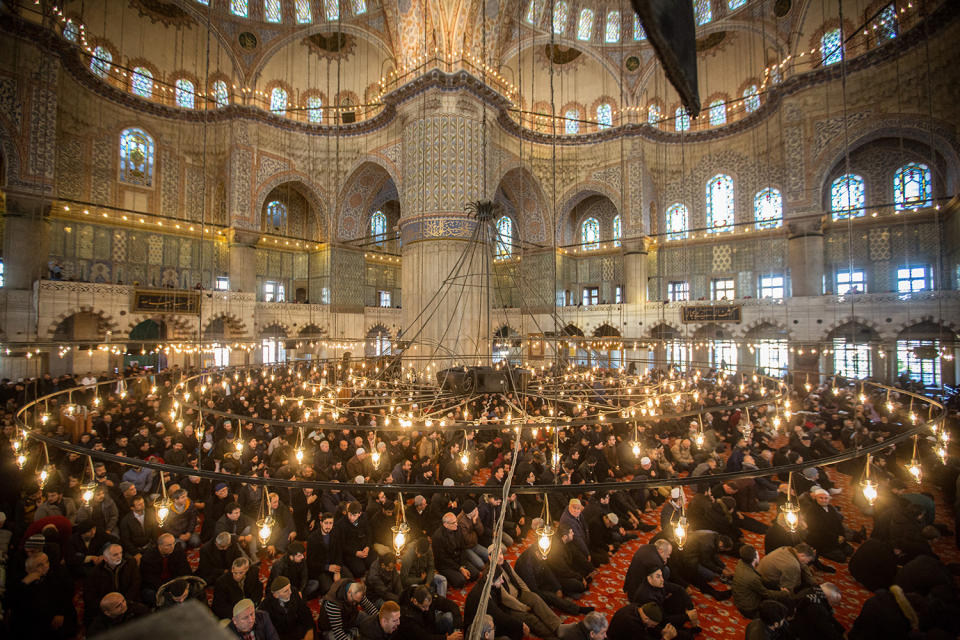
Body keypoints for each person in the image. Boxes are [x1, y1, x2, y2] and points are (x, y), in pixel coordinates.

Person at [9, 552, 78, 639]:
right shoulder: (22, 580)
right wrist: (25, 582)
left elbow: (66, 596)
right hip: (34, 621)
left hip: (56, 614)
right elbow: (13, 603)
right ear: (28, 570)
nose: (45, 566)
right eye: (39, 565)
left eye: (46, 562)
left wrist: (60, 613)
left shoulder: (57, 573)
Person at [83, 542, 142, 624]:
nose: (119, 556)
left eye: (121, 553)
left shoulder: (130, 563)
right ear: (105, 559)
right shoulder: (95, 572)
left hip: (127, 601)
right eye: (115, 555)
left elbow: (136, 583)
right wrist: (109, 606)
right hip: (108, 606)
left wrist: (125, 601)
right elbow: (90, 594)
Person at [631, 567, 698, 635]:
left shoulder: (658, 583)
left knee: (679, 595)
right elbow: (661, 619)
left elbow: (679, 589)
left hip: (661, 609)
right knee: (687, 637)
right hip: (653, 622)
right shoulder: (647, 596)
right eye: (658, 577)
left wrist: (690, 609)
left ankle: (679, 626)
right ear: (649, 579)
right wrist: (687, 617)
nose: (662, 579)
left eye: (661, 575)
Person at [732, 545, 791, 619]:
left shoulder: (741, 562)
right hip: (749, 609)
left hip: (742, 598)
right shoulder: (752, 577)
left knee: (773, 585)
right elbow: (766, 594)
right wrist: (783, 593)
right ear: (755, 558)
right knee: (778, 606)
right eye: (757, 554)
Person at [140, 532, 192, 604]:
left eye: (174, 543)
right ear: (160, 546)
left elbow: (185, 570)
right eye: (169, 545)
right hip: (156, 586)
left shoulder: (178, 551)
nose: (172, 547)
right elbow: (150, 579)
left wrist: (181, 586)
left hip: (175, 582)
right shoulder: (148, 557)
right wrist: (169, 589)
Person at [394, 586, 463, 640]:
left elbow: (452, 606)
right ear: (415, 601)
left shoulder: (429, 596)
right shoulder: (406, 616)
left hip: (430, 628)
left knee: (449, 617)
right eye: (424, 607)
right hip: (420, 636)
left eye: (429, 606)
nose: (427, 609)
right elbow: (423, 637)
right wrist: (447, 638)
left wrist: (457, 629)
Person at [432, 512, 479, 588]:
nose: (456, 524)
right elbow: (443, 559)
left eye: (456, 521)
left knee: (475, 574)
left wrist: (462, 564)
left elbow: (463, 547)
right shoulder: (437, 537)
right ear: (446, 525)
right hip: (446, 564)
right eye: (453, 523)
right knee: (460, 581)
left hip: (459, 559)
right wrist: (459, 568)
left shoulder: (457, 528)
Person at [331, 501, 375, 578]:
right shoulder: (341, 524)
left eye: (354, 515)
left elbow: (369, 534)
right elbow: (341, 545)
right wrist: (355, 553)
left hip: (363, 547)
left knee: (373, 563)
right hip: (351, 552)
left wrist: (368, 546)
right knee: (359, 570)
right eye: (350, 514)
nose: (351, 518)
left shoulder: (364, 517)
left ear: (359, 514)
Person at [607, 602, 677, 640]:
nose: (653, 627)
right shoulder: (632, 625)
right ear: (646, 619)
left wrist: (661, 631)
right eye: (653, 625)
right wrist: (666, 638)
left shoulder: (638, 607)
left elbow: (650, 627)